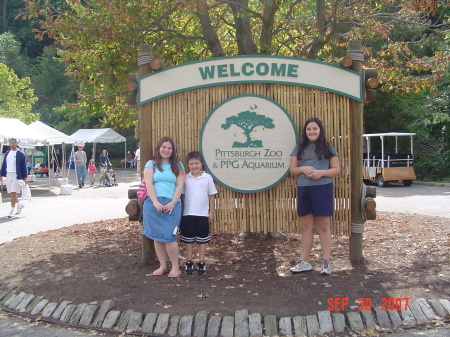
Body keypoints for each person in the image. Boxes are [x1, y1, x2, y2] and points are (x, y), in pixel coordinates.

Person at [289, 117, 340, 275]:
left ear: (320, 130)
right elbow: (292, 169)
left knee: (324, 226)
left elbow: (336, 169)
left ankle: (326, 262)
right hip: (304, 189)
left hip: (322, 188)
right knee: (306, 227)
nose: (312, 132)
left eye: (315, 129)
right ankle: (304, 261)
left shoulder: (328, 147)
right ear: (305, 132)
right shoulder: (299, 148)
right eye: (309, 129)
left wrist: (320, 173)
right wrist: (303, 169)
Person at [142, 137, 185, 278]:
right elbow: (148, 183)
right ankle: (162, 265)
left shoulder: (178, 165)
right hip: (154, 204)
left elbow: (180, 185)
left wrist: (173, 202)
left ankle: (175, 266)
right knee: (157, 236)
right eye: (163, 147)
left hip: (172, 205)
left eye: (169, 148)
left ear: (173, 151)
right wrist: (155, 202)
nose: (166, 150)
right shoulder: (151, 164)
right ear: (158, 148)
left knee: (169, 236)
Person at [180, 151, 217, 275]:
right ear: (188, 165)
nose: (194, 166)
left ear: (201, 163)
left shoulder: (207, 178)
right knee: (188, 240)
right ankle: (189, 262)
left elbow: (211, 195)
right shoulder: (186, 178)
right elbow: (183, 196)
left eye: (196, 163)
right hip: (188, 214)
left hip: (202, 214)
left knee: (202, 240)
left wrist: (211, 212)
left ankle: (201, 262)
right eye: (191, 164)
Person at [0, 138, 28, 218]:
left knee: (13, 192)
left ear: (17, 143)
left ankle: (12, 210)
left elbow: (23, 166)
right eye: (11, 143)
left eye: (14, 143)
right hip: (8, 174)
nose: (12, 144)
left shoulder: (20, 153)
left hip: (16, 175)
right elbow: (4, 164)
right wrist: (1, 175)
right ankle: (19, 204)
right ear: (9, 144)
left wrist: (25, 177)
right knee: (10, 192)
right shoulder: (7, 153)